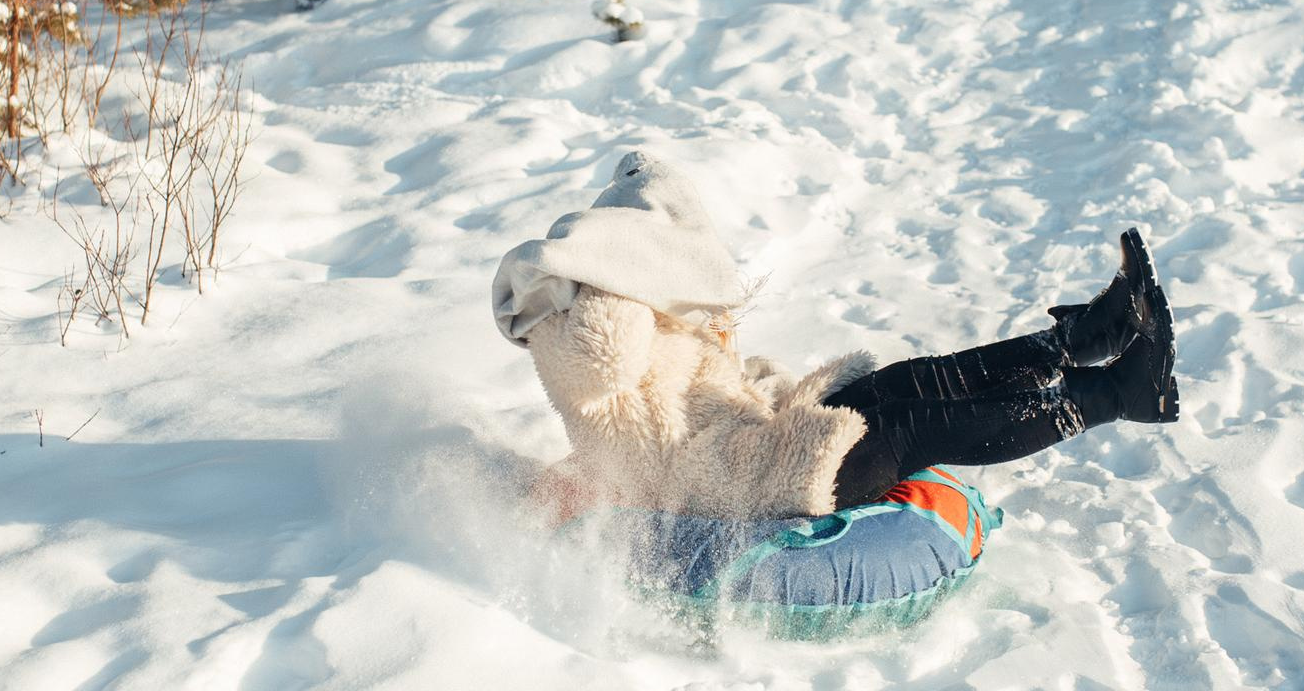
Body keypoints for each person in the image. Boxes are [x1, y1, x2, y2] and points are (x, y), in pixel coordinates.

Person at [492, 151, 1180, 523]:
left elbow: (717, 388)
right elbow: (611, 353)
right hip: (729, 486)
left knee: (898, 383)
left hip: (751, 445)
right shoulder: (573, 328)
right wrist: (621, 268)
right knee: (909, 428)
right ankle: (1115, 393)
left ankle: (1086, 337)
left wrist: (760, 376)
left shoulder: (658, 315)